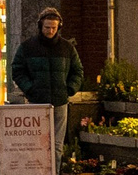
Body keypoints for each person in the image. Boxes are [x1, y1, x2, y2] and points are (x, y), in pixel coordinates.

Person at [9, 8, 85, 151]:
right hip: (37, 101)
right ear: (40, 26)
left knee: (57, 145)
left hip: (60, 101)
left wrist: (70, 89)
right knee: (37, 144)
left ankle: (55, 167)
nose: (50, 31)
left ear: (59, 27)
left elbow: (78, 70)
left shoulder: (67, 48)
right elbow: (17, 70)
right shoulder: (27, 47)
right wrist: (30, 89)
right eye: (47, 27)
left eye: (54, 28)